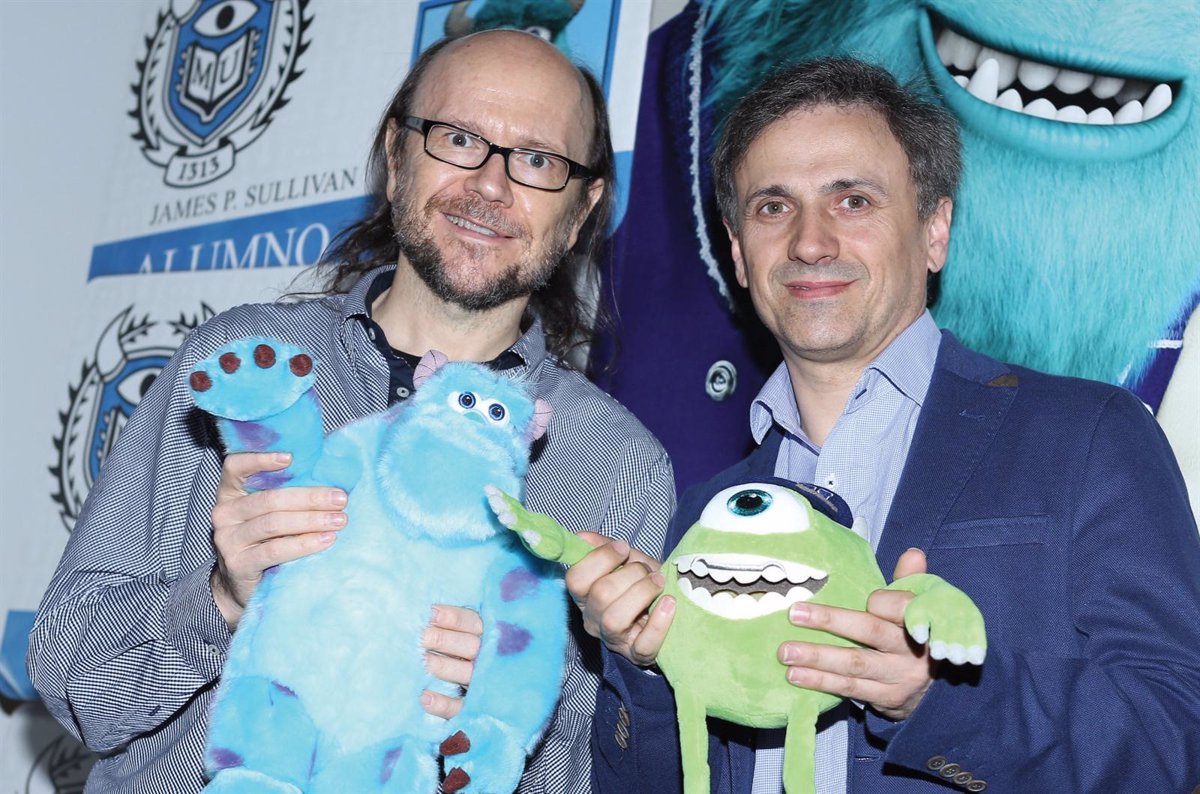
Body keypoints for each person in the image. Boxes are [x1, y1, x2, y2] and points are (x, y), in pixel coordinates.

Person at [28, 30, 674, 794]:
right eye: (458, 138)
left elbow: (612, 770)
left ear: (583, 207)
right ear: (396, 155)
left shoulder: (618, 468)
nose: (491, 185)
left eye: (536, 159)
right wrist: (221, 599)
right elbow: (71, 679)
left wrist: (501, 709)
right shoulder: (241, 368)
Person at [574, 56, 1200, 793]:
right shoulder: (706, 514)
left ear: (935, 231)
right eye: (773, 207)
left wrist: (938, 698)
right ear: (739, 255)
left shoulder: (1086, 435)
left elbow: (1178, 734)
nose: (810, 242)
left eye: (853, 201)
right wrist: (647, 665)